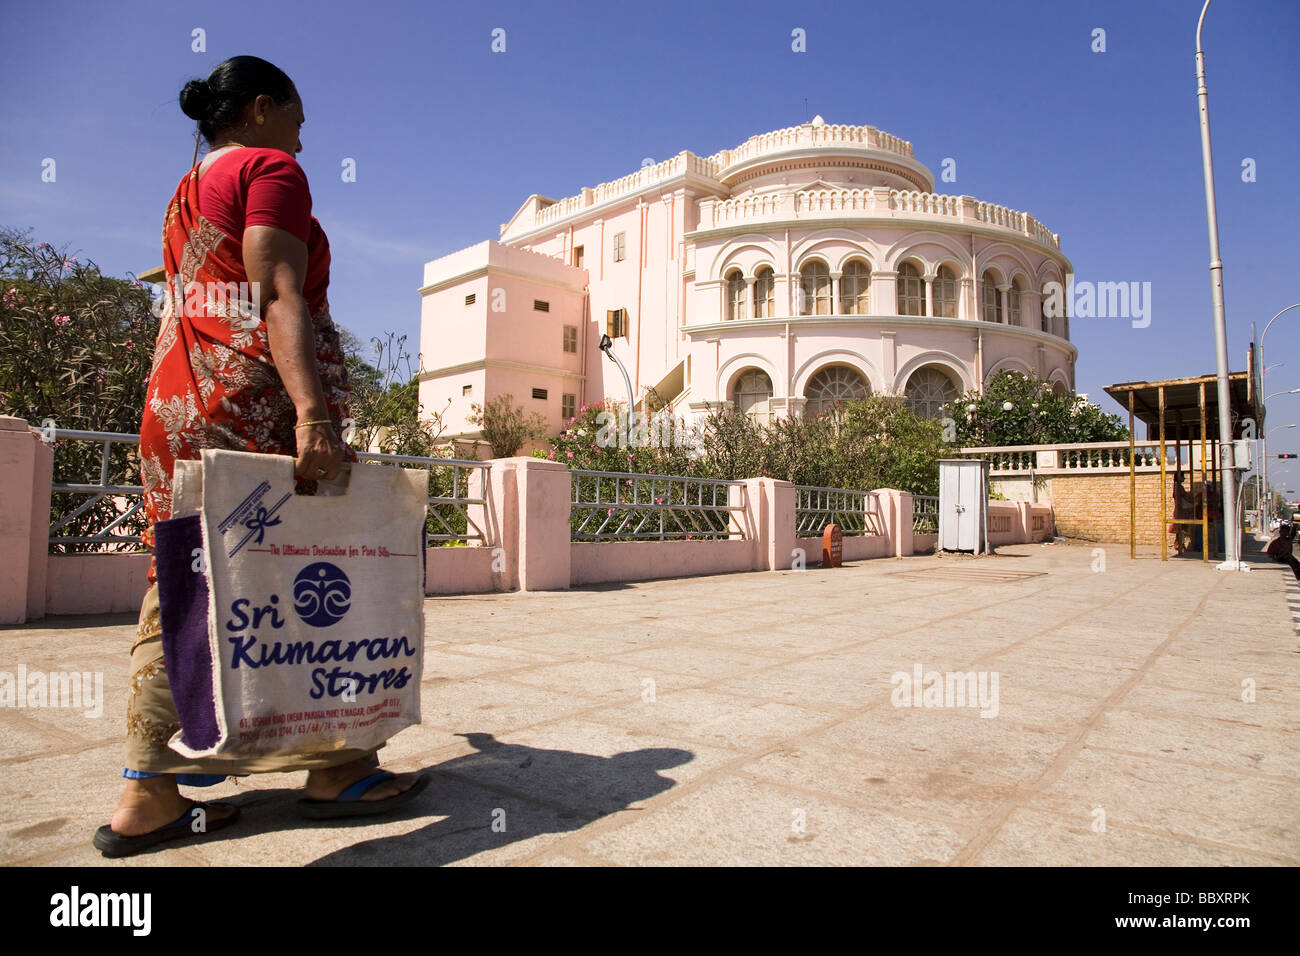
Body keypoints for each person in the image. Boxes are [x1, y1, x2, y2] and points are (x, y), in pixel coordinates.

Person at [95, 56, 426, 858]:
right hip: (253, 402)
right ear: (258, 109)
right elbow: (276, 290)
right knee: (321, 572)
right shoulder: (269, 167)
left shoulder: (184, 193)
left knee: (186, 575)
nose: (305, 135)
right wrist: (312, 413)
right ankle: (333, 769)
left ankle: (159, 790)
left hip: (180, 398)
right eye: (297, 115)